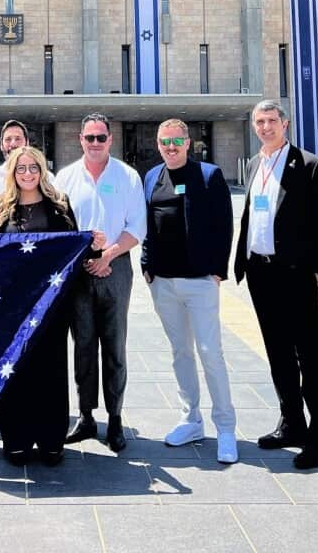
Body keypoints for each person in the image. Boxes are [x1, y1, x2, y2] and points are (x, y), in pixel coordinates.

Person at [0, 145, 104, 466]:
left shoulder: (60, 207)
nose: (27, 174)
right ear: (12, 173)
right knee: (15, 372)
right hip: (10, 308)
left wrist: (94, 248)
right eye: (21, 169)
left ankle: (51, 440)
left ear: (42, 171)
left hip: (51, 307)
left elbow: (73, 251)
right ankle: (17, 440)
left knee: (50, 372)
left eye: (33, 168)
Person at [233, 99, 318, 470]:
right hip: (261, 273)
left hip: (294, 274)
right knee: (278, 353)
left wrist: (313, 269)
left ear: (285, 124)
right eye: (259, 121)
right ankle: (291, 422)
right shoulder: (256, 164)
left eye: (271, 121)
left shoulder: (309, 165)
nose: (264, 127)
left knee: (310, 356)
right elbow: (252, 215)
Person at [141, 119, 238, 465]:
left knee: (210, 352)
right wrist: (147, 266)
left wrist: (216, 271)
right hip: (163, 282)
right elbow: (147, 225)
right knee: (181, 352)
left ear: (188, 143)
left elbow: (224, 225)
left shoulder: (209, 175)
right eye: (165, 141)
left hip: (200, 281)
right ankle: (191, 419)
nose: (171, 147)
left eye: (177, 141)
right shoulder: (152, 178)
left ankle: (226, 427)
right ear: (158, 143)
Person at [54, 113, 146, 452]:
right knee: (82, 346)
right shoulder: (65, 177)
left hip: (116, 267)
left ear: (111, 139)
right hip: (78, 271)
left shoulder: (127, 176)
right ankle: (86, 415)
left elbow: (137, 226)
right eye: (89, 137)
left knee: (114, 345)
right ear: (80, 139)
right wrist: (86, 258)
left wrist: (108, 255)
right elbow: (60, 226)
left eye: (101, 138)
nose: (95, 143)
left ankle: (116, 417)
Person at [0, 119, 29, 197]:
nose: (13, 144)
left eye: (18, 139)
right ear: (1, 145)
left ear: (27, 143)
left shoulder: (44, 177)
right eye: (8, 139)